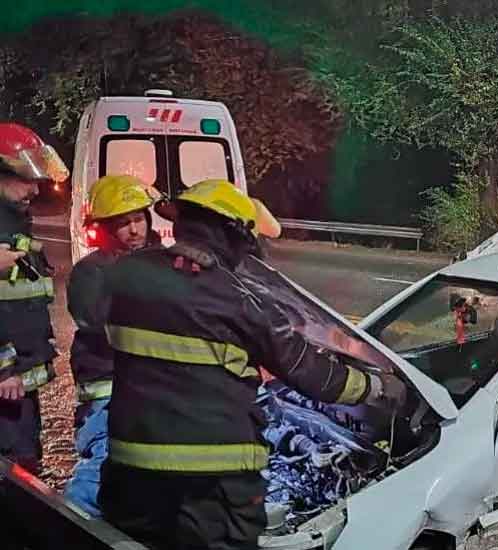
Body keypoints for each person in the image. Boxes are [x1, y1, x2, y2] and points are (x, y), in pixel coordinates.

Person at [99, 179, 406, 550]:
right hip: (212, 484)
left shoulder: (127, 274)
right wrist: (374, 387)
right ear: (234, 236)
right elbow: (310, 373)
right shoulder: (243, 301)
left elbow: (91, 315)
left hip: (131, 472)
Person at [64, 175, 159, 517]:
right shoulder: (91, 272)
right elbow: (96, 321)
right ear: (104, 228)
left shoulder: (159, 264)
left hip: (148, 386)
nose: (134, 230)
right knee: (105, 465)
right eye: (123, 224)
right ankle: (76, 525)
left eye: (138, 220)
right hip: (107, 387)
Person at [0, 122, 69, 474]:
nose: (36, 186)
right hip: (6, 383)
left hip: (17, 383)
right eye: (27, 177)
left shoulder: (14, 221)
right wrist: (4, 368)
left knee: (24, 462)